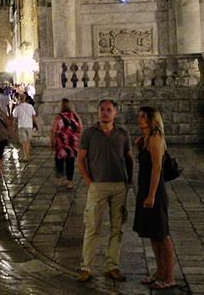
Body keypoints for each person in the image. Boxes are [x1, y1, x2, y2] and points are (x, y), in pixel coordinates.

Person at [77, 99, 133, 283]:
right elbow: (81, 158)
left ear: (115, 113)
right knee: (93, 226)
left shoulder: (122, 134)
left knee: (117, 227)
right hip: (98, 185)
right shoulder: (89, 133)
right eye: (102, 110)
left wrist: (129, 181)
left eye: (109, 110)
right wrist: (88, 180)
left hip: (119, 185)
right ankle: (87, 267)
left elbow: (129, 158)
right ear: (98, 112)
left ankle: (112, 266)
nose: (105, 113)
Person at [133, 107, 176, 290]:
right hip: (145, 189)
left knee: (162, 234)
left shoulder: (156, 138)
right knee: (152, 233)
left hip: (155, 192)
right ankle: (159, 271)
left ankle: (169, 276)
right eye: (139, 115)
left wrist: (151, 195)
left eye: (143, 116)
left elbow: (157, 168)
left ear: (151, 119)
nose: (139, 118)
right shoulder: (146, 139)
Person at [50, 98, 83, 189]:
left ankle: (61, 176)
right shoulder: (75, 116)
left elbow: (54, 130)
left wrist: (51, 140)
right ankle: (70, 182)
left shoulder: (59, 117)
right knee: (70, 162)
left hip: (61, 143)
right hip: (72, 143)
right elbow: (80, 128)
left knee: (59, 160)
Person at [12, 92, 38, 162]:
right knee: (28, 142)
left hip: (21, 126)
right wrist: (37, 125)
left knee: (24, 142)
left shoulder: (17, 108)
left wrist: (13, 127)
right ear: (25, 98)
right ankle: (28, 155)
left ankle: (25, 156)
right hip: (29, 126)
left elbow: (14, 119)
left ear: (19, 99)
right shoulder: (30, 106)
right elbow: (34, 117)